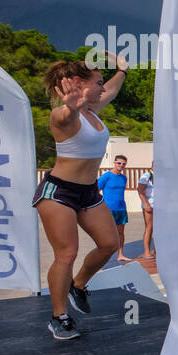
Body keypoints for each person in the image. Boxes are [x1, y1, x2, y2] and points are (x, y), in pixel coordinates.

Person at [33, 53, 128, 340]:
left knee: (110, 244)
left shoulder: (93, 108)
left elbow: (111, 88)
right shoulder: (65, 114)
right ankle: (58, 316)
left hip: (88, 192)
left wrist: (122, 70)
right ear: (77, 83)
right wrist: (70, 109)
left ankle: (79, 284)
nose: (102, 88)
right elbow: (62, 117)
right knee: (67, 253)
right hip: (58, 192)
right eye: (97, 83)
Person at [97, 154, 132, 261]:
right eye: (119, 163)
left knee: (120, 233)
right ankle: (102, 256)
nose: (121, 165)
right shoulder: (106, 176)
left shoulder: (124, 178)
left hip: (121, 209)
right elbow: (95, 191)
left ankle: (120, 254)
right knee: (106, 234)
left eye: (123, 164)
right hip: (108, 209)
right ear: (114, 163)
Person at [137, 163, 155, 259]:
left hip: (159, 207)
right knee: (149, 228)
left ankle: (156, 251)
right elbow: (140, 191)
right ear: (152, 166)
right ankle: (147, 252)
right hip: (149, 206)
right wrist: (146, 204)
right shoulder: (146, 176)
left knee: (159, 229)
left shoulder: (162, 176)